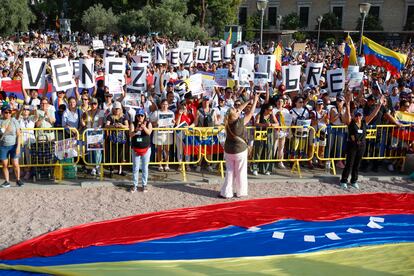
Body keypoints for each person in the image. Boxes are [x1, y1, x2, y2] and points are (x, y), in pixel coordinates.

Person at [340, 96, 386, 190]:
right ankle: (344, 181)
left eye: (359, 115)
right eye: (356, 115)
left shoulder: (365, 122)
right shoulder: (351, 123)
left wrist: (379, 104)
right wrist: (348, 104)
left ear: (362, 115)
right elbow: (348, 115)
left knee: (357, 164)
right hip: (352, 146)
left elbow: (373, 114)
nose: (358, 117)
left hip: (361, 146)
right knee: (349, 164)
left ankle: (354, 181)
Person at [219, 93, 259, 199]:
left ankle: (226, 192)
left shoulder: (227, 121)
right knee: (241, 171)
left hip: (228, 150)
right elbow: (250, 114)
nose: (238, 110)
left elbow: (238, 110)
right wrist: (255, 101)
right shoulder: (239, 123)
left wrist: (248, 101)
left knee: (230, 172)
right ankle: (241, 192)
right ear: (235, 115)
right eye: (236, 111)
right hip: (239, 150)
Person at [129, 108, 152, 193]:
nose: (140, 117)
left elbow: (149, 132)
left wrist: (144, 127)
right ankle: (134, 185)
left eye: (141, 115)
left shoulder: (148, 123)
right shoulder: (133, 124)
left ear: (144, 116)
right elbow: (130, 135)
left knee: (145, 167)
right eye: (138, 115)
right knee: (135, 167)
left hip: (146, 148)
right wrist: (136, 130)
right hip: (135, 148)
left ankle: (144, 184)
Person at [0, 105, 23, 188]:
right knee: (5, 165)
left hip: (13, 145)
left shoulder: (14, 120)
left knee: (15, 164)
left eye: (10, 112)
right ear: (2, 113)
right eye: (6, 112)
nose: (8, 114)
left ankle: (18, 179)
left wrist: (18, 147)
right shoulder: (0, 122)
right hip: (3, 146)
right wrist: (5, 131)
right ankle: (7, 181)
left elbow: (18, 135)